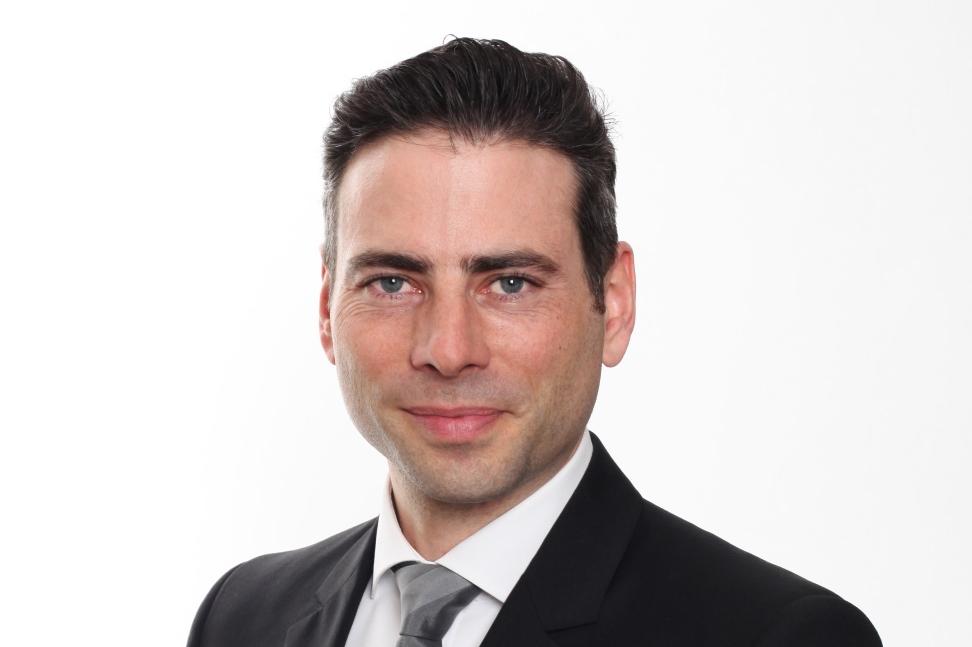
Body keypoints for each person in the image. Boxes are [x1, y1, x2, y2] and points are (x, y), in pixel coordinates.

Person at [187, 37, 882, 647]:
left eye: (510, 283)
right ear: (326, 309)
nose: (448, 350)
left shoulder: (776, 635)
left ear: (614, 304)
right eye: (394, 282)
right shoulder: (242, 618)